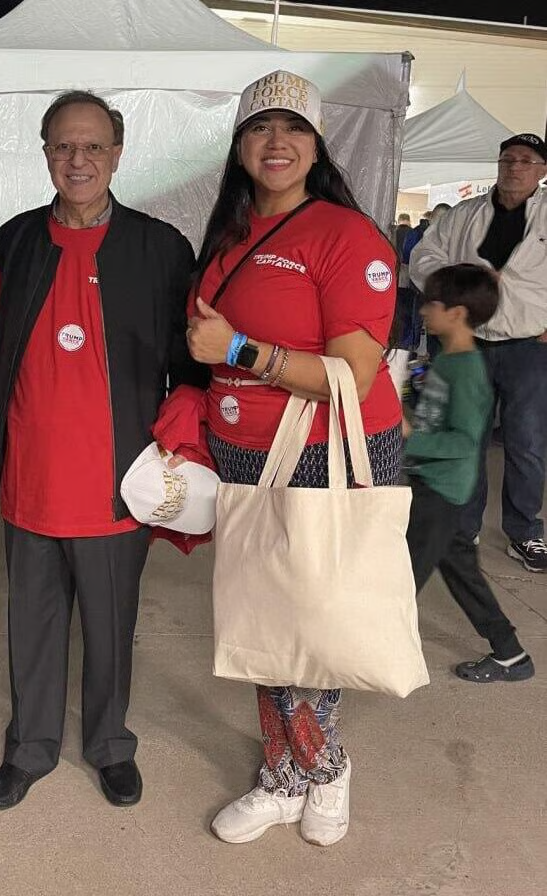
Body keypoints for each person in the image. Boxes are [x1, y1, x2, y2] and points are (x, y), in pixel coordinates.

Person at [183, 70, 401, 847]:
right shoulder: (230, 234)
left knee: (315, 621)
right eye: (259, 127)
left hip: (323, 453)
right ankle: (284, 777)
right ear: (239, 144)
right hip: (242, 454)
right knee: (265, 619)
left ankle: (322, 768)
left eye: (293, 128)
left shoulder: (347, 237)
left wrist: (239, 349)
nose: (275, 142)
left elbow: (354, 375)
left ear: (316, 145)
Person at [0, 90, 207, 812]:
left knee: (111, 628)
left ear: (117, 153)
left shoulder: (160, 248)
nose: (77, 160)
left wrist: (182, 429)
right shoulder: (14, 241)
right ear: (46, 151)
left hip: (118, 479)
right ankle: (29, 748)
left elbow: (190, 364)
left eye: (92, 146)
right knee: (32, 624)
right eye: (63, 146)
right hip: (31, 475)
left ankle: (110, 744)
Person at [410, 133, 547, 572]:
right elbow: (424, 256)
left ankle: (525, 531)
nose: (515, 167)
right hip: (468, 342)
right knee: (467, 437)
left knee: (527, 441)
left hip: (529, 344)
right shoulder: (464, 215)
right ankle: (462, 527)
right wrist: (457, 283)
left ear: (542, 171)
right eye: (508, 159)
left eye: (526, 160)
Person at [404, 263, 534, 683]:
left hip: (442, 491)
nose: (423, 310)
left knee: (401, 577)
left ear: (456, 313)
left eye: (432, 304)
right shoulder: (447, 360)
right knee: (461, 572)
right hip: (433, 484)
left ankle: (362, 655)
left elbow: (463, 441)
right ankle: (511, 654)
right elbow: (436, 415)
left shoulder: (468, 370)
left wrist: (409, 439)